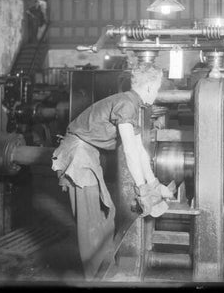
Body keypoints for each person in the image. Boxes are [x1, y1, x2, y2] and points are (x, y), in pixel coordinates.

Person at [51, 63, 174, 280]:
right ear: (148, 87)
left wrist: (154, 185)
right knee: (92, 223)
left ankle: (107, 273)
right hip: (78, 157)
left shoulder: (131, 104)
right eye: (157, 88)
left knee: (107, 214)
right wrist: (142, 190)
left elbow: (140, 151)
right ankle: (99, 278)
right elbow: (129, 151)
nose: (157, 93)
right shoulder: (127, 104)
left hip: (87, 155)